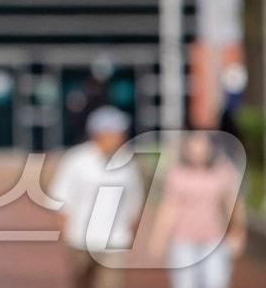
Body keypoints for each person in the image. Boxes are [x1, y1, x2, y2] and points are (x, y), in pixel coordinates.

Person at [49, 106, 145, 288]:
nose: (122, 137)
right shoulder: (76, 160)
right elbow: (61, 199)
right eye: (116, 132)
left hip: (115, 240)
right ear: (100, 133)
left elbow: (136, 200)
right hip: (80, 239)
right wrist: (68, 234)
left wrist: (129, 232)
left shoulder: (128, 162)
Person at [147, 130, 247, 288]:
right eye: (193, 147)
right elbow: (169, 208)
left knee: (216, 282)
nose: (197, 152)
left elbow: (233, 203)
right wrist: (158, 238)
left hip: (214, 238)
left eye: (202, 146)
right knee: (185, 283)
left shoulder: (223, 170)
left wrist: (238, 231)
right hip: (183, 239)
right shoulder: (178, 174)